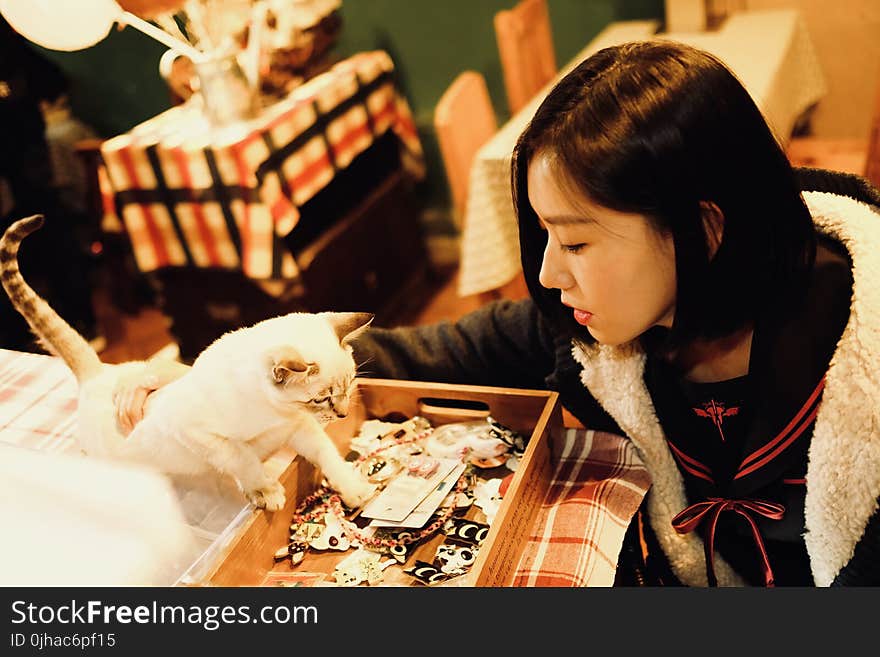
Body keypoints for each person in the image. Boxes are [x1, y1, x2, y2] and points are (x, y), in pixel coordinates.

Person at [113, 40, 880, 586]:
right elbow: (436, 352)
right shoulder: (605, 333)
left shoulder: (858, 371)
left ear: (704, 231)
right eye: (544, 233)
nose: (546, 272)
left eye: (575, 240)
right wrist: (208, 385)